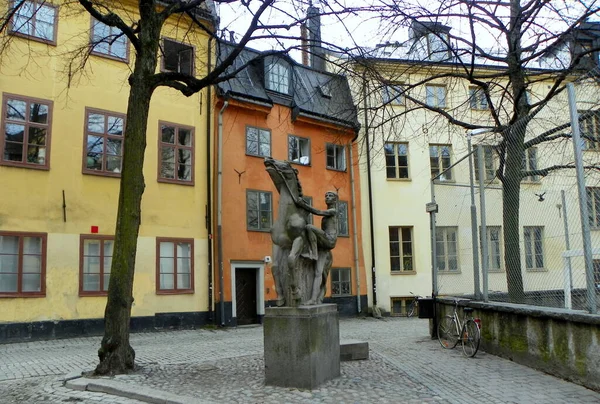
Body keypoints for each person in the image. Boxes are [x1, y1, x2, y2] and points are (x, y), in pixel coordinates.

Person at [294, 191, 339, 304]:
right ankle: (314, 299)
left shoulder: (333, 211)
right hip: (324, 244)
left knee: (309, 227)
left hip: (329, 240)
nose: (327, 197)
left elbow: (318, 211)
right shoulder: (328, 213)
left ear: (335, 200)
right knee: (318, 273)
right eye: (326, 196)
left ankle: (313, 254)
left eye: (330, 196)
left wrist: (304, 205)